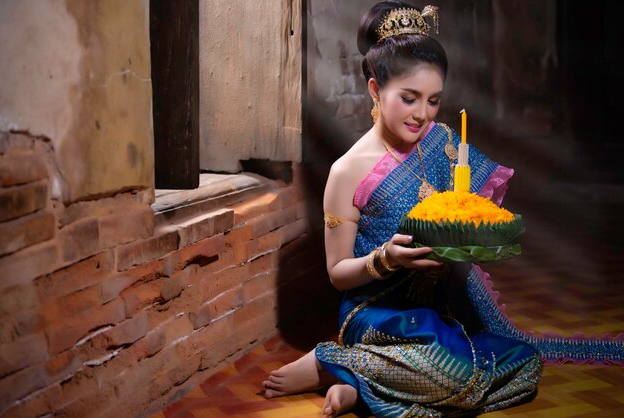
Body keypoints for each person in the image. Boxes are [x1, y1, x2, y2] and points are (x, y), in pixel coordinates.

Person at [263, 1, 623, 417]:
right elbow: (337, 273)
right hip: (378, 314)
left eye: (433, 100)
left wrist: (472, 238)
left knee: (524, 364)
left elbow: (465, 213)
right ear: (375, 89)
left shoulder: (442, 141)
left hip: (437, 311)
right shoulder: (347, 171)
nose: (422, 115)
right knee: (451, 371)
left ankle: (357, 384)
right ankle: (333, 362)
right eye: (409, 98)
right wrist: (386, 259)